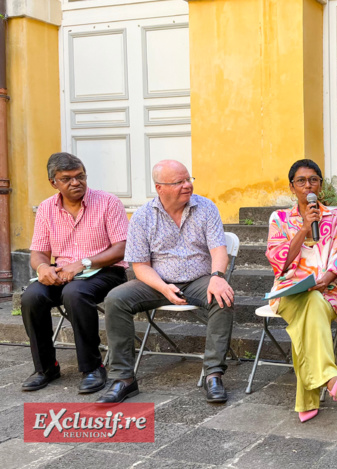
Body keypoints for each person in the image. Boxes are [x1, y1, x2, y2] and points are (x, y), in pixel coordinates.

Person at [98, 160, 235, 404]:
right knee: (115, 299)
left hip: (199, 280)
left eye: (188, 179)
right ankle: (123, 379)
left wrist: (217, 277)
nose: (187, 185)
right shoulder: (142, 217)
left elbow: (218, 250)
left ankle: (213, 374)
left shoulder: (206, 208)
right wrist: (162, 287)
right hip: (157, 283)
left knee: (223, 296)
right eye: (179, 182)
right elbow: (139, 266)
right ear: (159, 188)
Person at [20, 152, 129, 393]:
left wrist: (84, 263)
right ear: (53, 182)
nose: (76, 182)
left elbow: (122, 248)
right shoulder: (47, 208)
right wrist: (43, 268)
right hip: (62, 274)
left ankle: (92, 368)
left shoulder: (108, 202)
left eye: (80, 176)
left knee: (75, 293)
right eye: (67, 178)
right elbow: (38, 252)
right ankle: (46, 367)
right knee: (31, 297)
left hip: (106, 271)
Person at [262, 159, 337, 423]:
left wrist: (325, 278)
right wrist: (303, 228)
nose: (307, 185)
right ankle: (327, 376)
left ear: (320, 185)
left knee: (310, 307)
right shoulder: (279, 219)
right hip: (288, 292)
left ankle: (309, 398)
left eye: (313, 180)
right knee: (307, 303)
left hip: (327, 291)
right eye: (301, 181)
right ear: (292, 187)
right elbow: (280, 261)